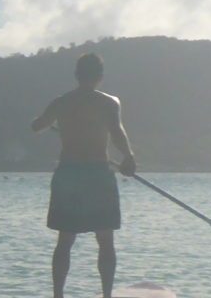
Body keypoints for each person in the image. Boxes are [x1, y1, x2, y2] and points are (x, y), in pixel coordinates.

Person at [31, 53, 136, 298]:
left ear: (77, 75)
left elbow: (38, 126)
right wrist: (128, 157)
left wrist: (39, 121)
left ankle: (58, 294)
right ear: (100, 76)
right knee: (105, 241)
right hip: (97, 173)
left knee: (65, 240)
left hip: (69, 173)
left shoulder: (61, 102)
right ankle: (106, 295)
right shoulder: (110, 102)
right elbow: (116, 131)